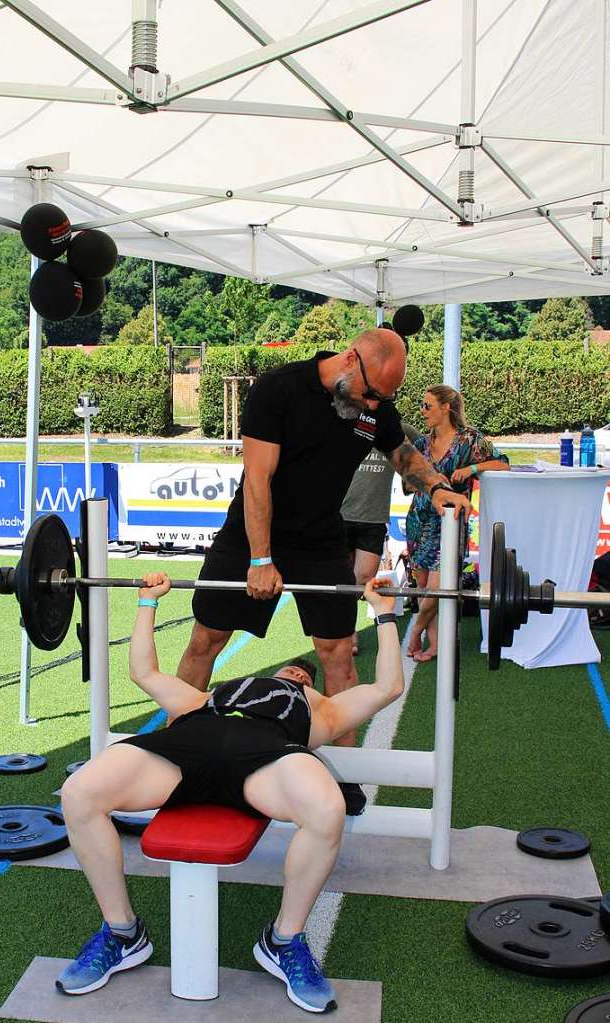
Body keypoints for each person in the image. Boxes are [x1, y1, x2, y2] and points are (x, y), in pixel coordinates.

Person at [58, 571, 404, 1014]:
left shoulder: (326, 710)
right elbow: (143, 672)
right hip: (189, 745)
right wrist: (148, 602)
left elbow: (388, 686)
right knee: (79, 792)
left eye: (305, 675)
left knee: (327, 808)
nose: (299, 671)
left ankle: (283, 940)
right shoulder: (207, 696)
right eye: (292, 667)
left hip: (266, 757)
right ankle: (123, 933)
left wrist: (385, 614)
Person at [175, 328, 471, 815]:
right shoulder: (279, 390)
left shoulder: (373, 410)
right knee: (207, 639)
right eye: (371, 395)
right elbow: (258, 480)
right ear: (350, 361)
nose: (375, 406)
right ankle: (177, 759)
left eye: (385, 399)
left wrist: (436, 486)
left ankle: (345, 775)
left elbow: (404, 456)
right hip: (253, 530)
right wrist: (261, 558)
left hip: (320, 537)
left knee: (337, 654)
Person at [405, 385, 510, 661]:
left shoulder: (470, 440)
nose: (422, 411)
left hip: (451, 523)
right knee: (424, 586)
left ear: (446, 408)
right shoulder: (421, 444)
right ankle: (435, 644)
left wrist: (472, 468)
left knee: (439, 588)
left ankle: (416, 631)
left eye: (428, 406)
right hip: (420, 519)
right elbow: (408, 482)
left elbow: (503, 463)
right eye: (422, 405)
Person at [341, 420, 420, 655]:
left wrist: (411, 478)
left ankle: (345, 626)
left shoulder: (397, 429)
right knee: (342, 578)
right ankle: (348, 632)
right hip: (339, 514)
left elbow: (424, 447)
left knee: (364, 576)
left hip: (373, 517)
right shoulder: (342, 425)